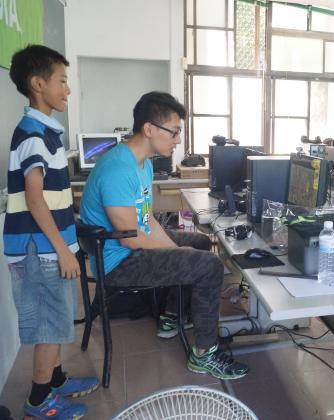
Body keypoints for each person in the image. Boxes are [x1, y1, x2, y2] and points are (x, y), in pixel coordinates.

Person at [80, 91, 249, 380]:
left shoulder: (142, 163)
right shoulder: (118, 169)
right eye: (174, 131)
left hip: (132, 246)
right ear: (149, 129)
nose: (178, 140)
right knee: (209, 266)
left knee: (199, 242)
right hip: (119, 261)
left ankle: (172, 315)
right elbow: (130, 238)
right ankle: (204, 354)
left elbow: (147, 220)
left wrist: (175, 249)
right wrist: (176, 253)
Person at [4, 45, 99, 419]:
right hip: (40, 250)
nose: (67, 89)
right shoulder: (33, 135)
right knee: (48, 323)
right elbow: (35, 199)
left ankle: (55, 379)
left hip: (49, 246)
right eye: (62, 80)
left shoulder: (45, 131)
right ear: (37, 84)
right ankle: (39, 400)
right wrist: (62, 249)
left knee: (57, 318)